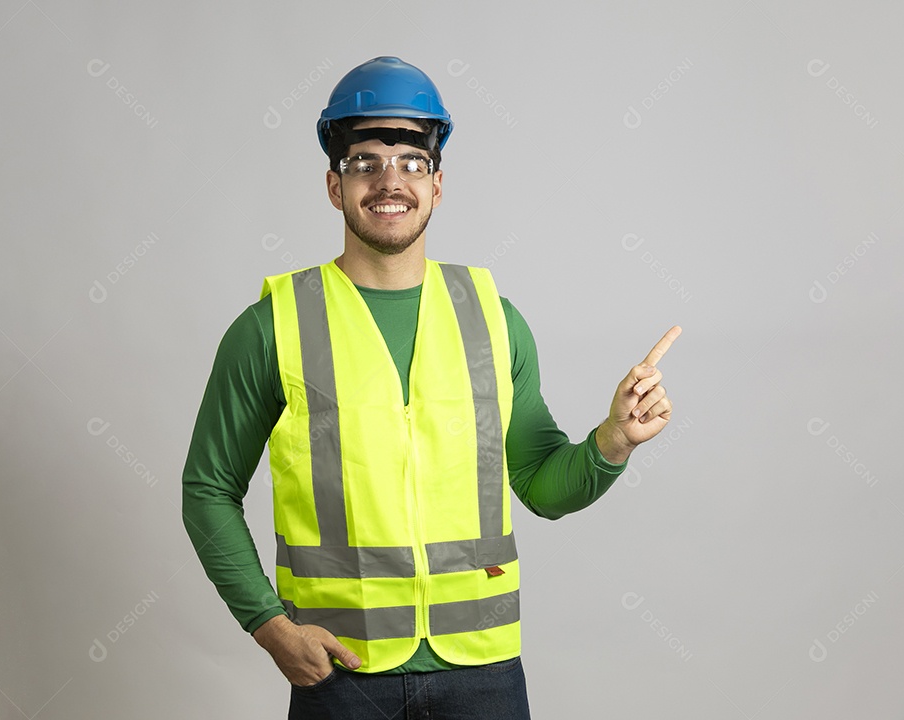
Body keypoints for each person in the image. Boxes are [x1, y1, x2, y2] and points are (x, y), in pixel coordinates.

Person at [181, 56, 681, 720]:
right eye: (365, 162)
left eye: (411, 162)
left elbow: (540, 484)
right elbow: (207, 489)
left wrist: (613, 441)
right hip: (340, 674)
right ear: (335, 186)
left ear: (438, 185)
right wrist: (269, 625)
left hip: (484, 675)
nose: (390, 180)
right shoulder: (272, 326)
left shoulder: (495, 320)